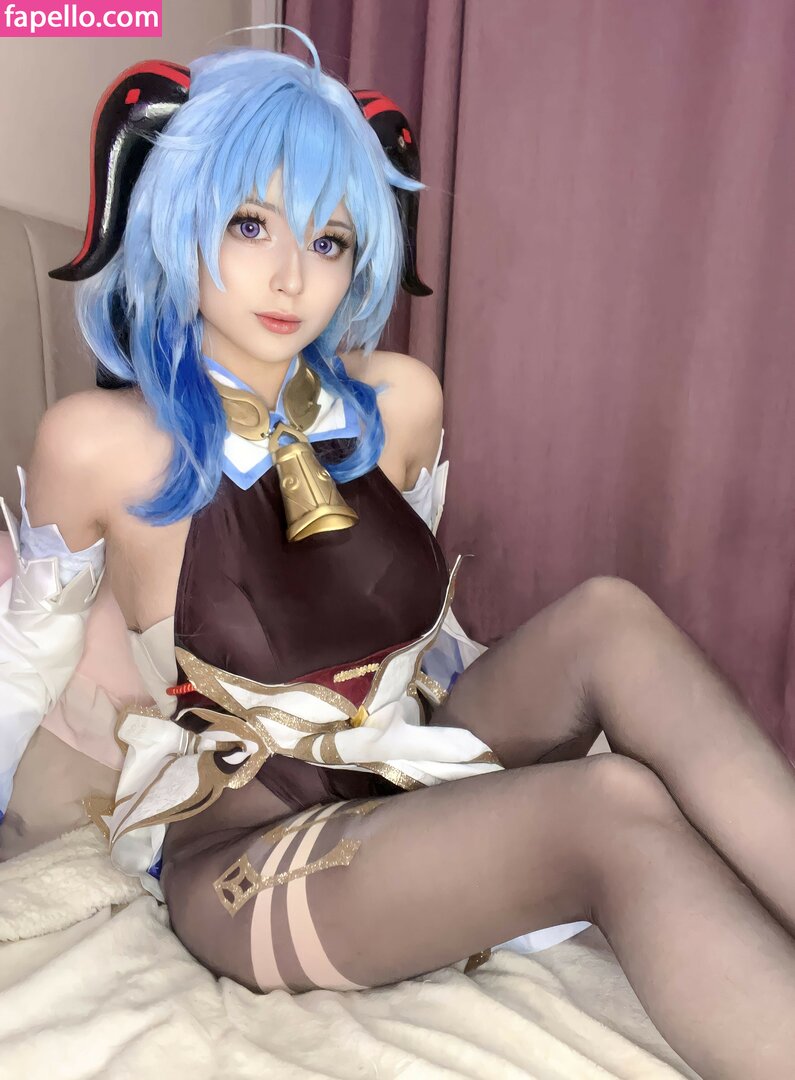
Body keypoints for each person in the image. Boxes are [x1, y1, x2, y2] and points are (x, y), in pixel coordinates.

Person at [1, 26, 794, 1079]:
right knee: (612, 804)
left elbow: (416, 628)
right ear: (173, 217)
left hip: (401, 761)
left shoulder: (397, 403)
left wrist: (480, 744)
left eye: (330, 241)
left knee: (610, 615)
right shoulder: (98, 444)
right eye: (249, 224)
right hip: (248, 850)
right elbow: (27, 663)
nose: (292, 276)